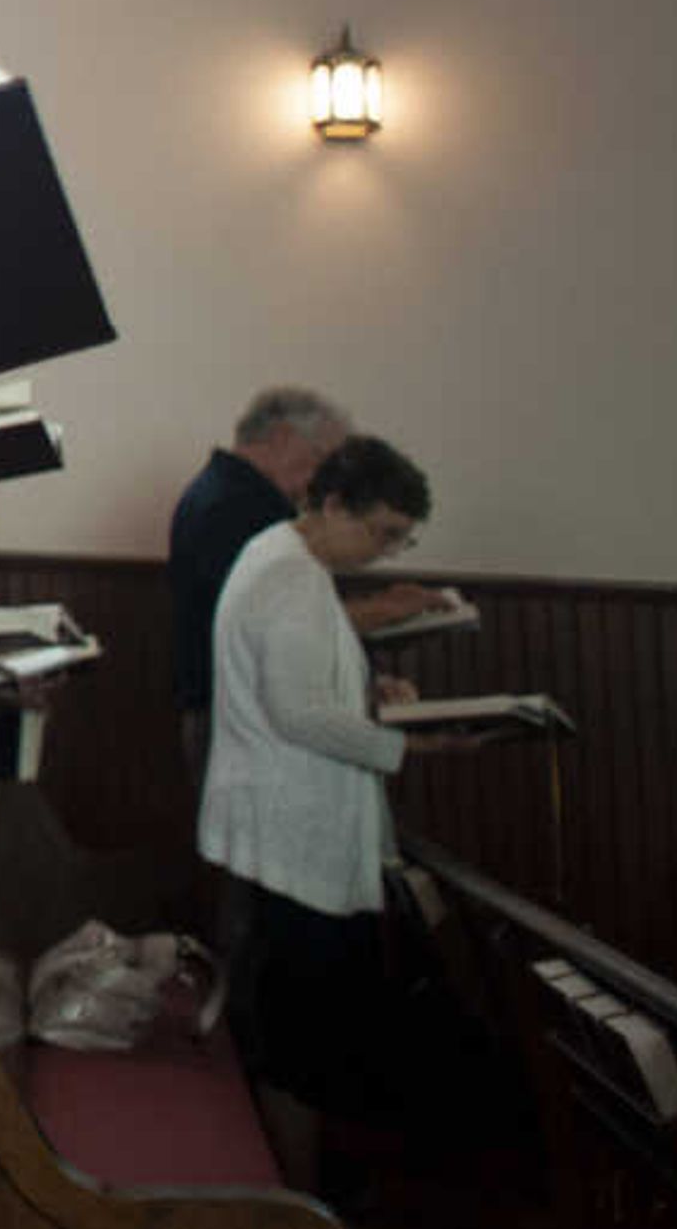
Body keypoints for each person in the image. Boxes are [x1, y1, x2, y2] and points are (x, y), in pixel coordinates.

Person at [198, 433, 472, 1194]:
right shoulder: (286, 576)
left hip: (295, 823)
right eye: (381, 533)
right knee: (301, 1042)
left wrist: (369, 696)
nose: (385, 553)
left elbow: (305, 688)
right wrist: (418, 745)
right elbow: (299, 716)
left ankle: (301, 1192)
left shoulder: (291, 562)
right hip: (293, 828)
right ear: (331, 505)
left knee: (308, 1032)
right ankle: (295, 1202)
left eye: (401, 540)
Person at [167, 387, 439, 776]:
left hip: (235, 718)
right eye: (322, 459)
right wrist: (386, 610)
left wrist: (357, 690)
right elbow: (283, 668)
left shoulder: (238, 497)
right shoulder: (236, 507)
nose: (324, 479)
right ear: (280, 438)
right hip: (238, 727)